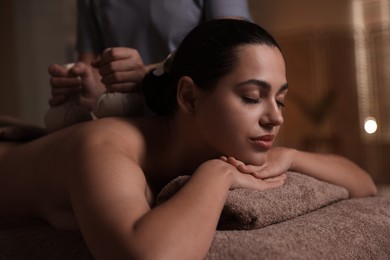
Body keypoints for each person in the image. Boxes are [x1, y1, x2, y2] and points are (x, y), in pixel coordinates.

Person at [0, 20, 377, 259]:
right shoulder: (105, 147)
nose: (275, 116)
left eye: (279, 99)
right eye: (251, 97)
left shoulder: (224, 139)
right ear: (189, 97)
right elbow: (146, 254)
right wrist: (218, 175)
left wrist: (290, 156)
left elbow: (363, 184)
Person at [45, 0, 252, 131]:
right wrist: (84, 84)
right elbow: (91, 67)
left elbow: (232, 46)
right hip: (127, 129)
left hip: (195, 125)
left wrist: (148, 74)